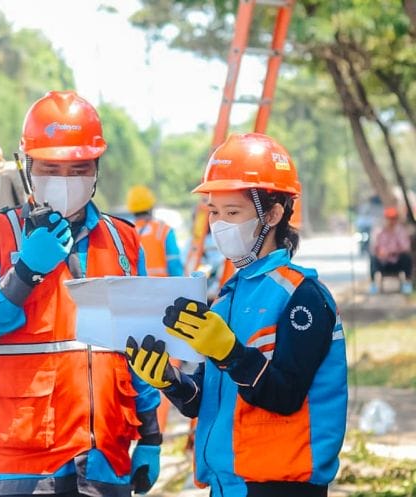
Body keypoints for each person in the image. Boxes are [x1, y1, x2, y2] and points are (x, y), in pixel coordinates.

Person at [0, 90, 162, 497]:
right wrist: (23, 273)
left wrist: (150, 432)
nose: (65, 181)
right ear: (26, 167)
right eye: (51, 168)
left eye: (78, 169)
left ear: (96, 169)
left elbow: (142, 346)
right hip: (21, 464)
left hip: (104, 459)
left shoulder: (123, 243)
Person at [124, 132, 348, 497]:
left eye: (233, 212)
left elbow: (285, 396)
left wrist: (230, 353)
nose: (219, 224)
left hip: (280, 487)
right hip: (227, 485)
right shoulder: (227, 298)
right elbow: (207, 400)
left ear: (274, 214)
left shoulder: (302, 297)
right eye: (214, 211)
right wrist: (169, 380)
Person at [126, 185, 184, 277]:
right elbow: (174, 263)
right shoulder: (164, 230)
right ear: (151, 206)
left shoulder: (126, 232)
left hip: (137, 289)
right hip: (163, 288)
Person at [369, 206, 413, 295]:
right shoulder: (378, 231)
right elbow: (373, 247)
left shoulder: (400, 231)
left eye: (393, 218)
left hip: (397, 261)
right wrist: (379, 252)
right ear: (385, 218)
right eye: (389, 218)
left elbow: (406, 247)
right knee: (372, 258)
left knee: (407, 257)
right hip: (383, 262)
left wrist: (392, 251)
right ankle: (373, 285)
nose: (391, 221)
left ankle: (407, 284)